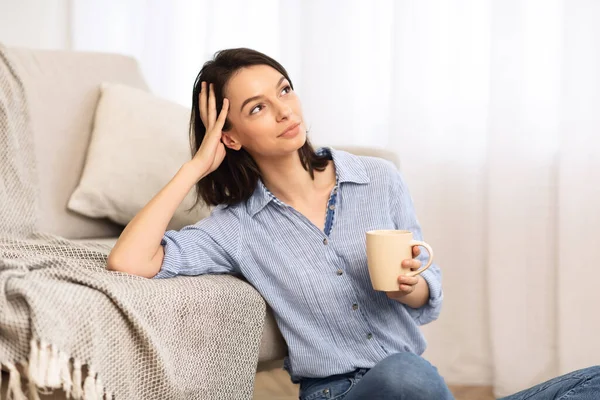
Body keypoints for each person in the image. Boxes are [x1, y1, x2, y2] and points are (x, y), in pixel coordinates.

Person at [107, 48, 600, 400]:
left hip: (417, 387)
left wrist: (409, 287)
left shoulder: (378, 179)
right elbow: (128, 261)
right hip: (339, 392)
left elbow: (429, 294)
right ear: (231, 136)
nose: (284, 110)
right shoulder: (233, 228)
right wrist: (195, 167)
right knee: (406, 373)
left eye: (284, 90)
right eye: (258, 107)